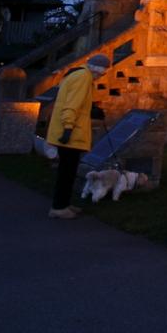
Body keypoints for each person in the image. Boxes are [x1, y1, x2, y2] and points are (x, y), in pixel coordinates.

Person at [47, 54, 109, 219]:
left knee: (68, 170)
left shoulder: (77, 74)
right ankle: (59, 207)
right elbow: (72, 104)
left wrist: (91, 110)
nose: (101, 77)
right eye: (102, 73)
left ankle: (64, 203)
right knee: (67, 172)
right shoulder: (83, 78)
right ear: (98, 70)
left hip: (69, 130)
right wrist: (68, 128)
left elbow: (75, 102)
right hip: (70, 134)